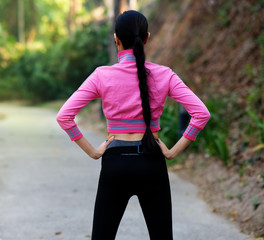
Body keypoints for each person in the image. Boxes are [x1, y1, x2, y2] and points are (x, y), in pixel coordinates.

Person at [56, 10, 210, 240]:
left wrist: (94, 152)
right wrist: (173, 151)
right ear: (146, 38)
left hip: (115, 162)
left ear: (116, 39)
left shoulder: (101, 75)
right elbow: (201, 114)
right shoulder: (165, 74)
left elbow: (64, 116)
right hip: (152, 160)